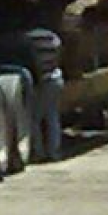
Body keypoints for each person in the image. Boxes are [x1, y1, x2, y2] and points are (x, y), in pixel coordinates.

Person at [30, 28, 65, 162]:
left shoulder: (31, 40)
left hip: (44, 81)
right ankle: (54, 151)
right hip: (56, 78)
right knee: (52, 116)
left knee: (35, 118)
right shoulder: (54, 38)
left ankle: (38, 152)